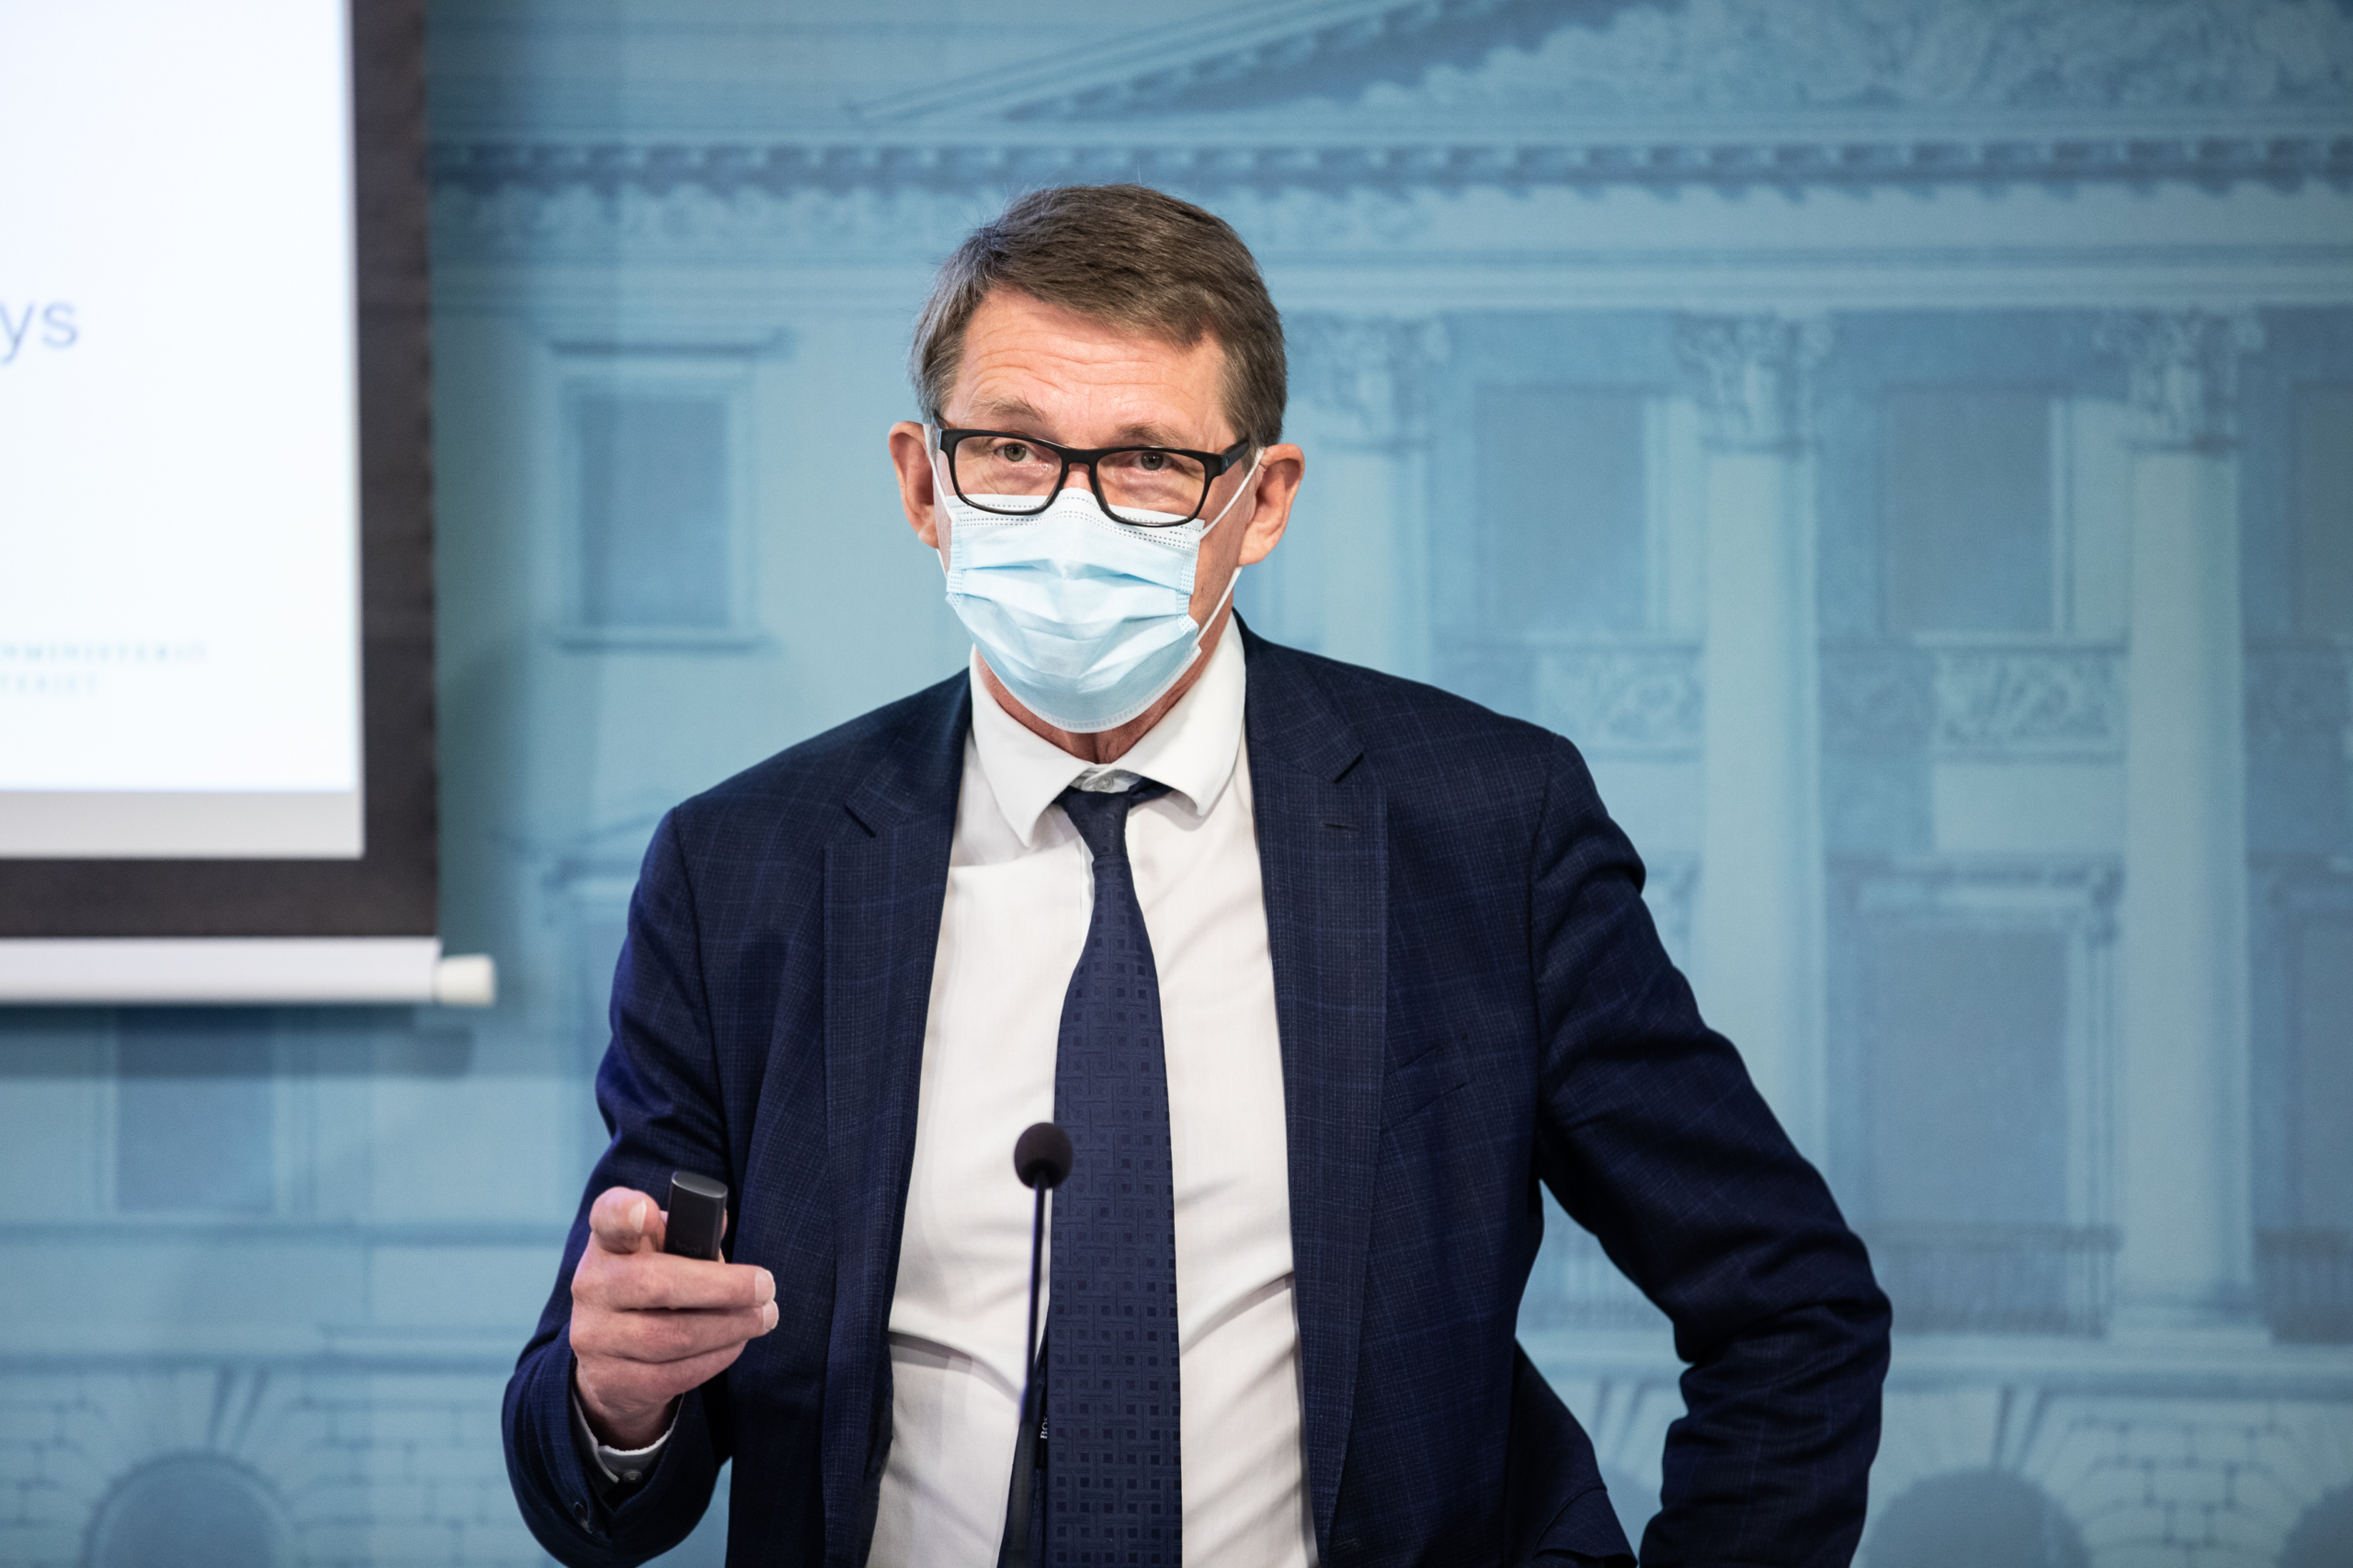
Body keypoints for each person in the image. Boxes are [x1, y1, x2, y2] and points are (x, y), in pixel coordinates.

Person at [504, 184, 1890, 1568]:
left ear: (1261, 500)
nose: (1074, 512)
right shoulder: (743, 869)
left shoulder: (1485, 830)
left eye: (1151, 462)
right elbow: (601, 1450)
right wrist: (618, 1399)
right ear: (925, 485)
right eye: (1012, 450)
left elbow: (1788, 1305)